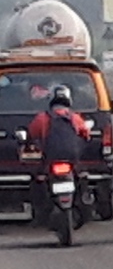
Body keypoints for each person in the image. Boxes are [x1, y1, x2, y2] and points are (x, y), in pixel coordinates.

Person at [26, 84, 91, 222]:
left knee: (38, 179)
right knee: (82, 178)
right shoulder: (75, 118)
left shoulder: (42, 118)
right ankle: (84, 201)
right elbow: (86, 134)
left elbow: (32, 133)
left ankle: (40, 211)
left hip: (50, 159)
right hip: (72, 159)